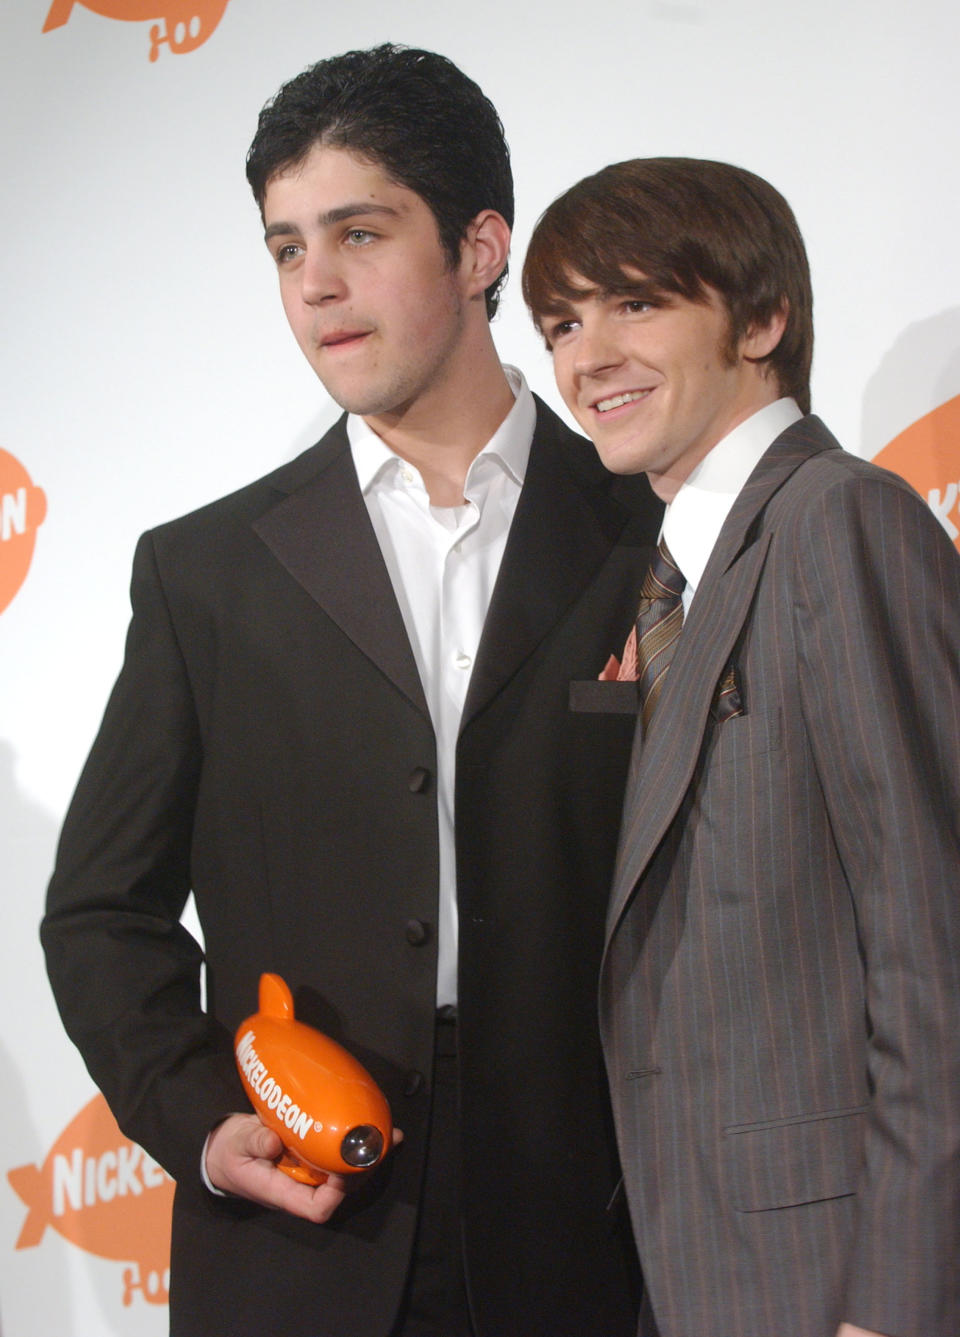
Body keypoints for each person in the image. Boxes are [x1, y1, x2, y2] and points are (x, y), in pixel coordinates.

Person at [41, 45, 661, 1337]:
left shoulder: (648, 533)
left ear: (480, 247)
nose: (314, 283)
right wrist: (206, 1118)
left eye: (358, 232)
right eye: (283, 248)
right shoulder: (206, 571)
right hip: (294, 1233)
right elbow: (103, 909)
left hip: (595, 1233)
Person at [522, 157, 960, 1337]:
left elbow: (938, 947)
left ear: (762, 318)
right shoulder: (667, 576)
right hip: (691, 1265)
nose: (585, 356)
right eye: (563, 320)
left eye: (635, 302)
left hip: (837, 1276)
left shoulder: (837, 520)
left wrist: (901, 1303)